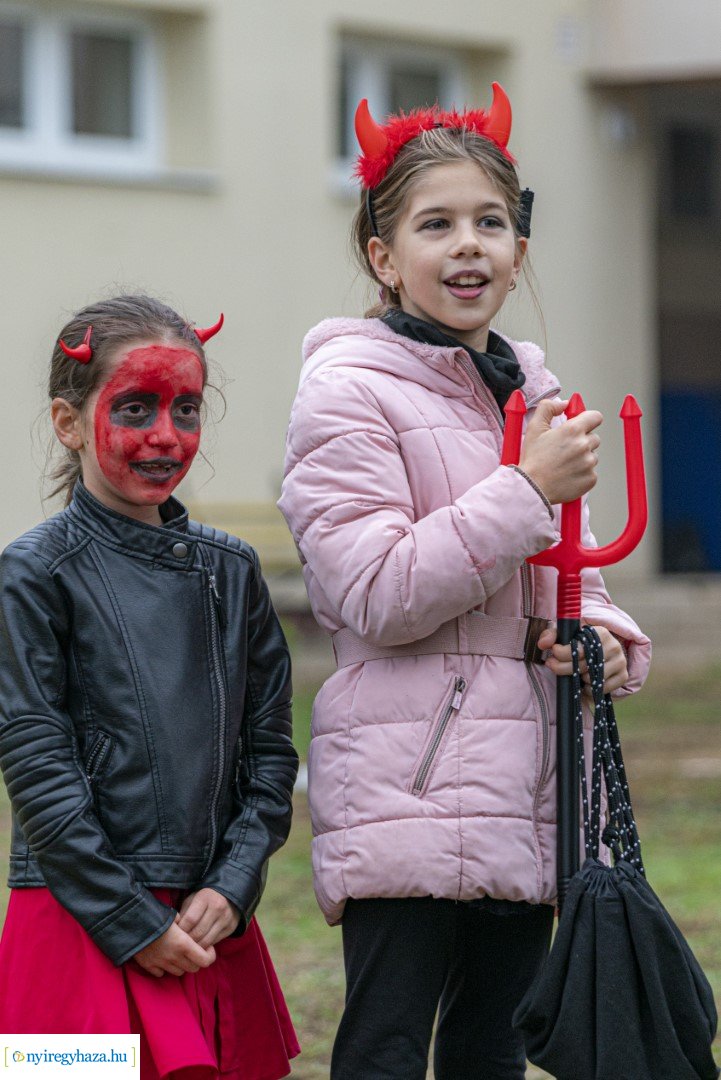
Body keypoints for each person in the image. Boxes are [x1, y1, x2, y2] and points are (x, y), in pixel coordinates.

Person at [278, 85, 652, 1079]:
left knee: (494, 1048)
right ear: (381, 255)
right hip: (407, 781)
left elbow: (556, 573)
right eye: (434, 224)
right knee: (388, 1048)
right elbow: (376, 591)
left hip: (527, 782)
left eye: (490, 221)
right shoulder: (345, 393)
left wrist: (597, 629)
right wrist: (525, 486)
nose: (468, 245)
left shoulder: (533, 393)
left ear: (519, 249)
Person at [0, 295, 300, 1080]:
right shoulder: (32, 573)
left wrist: (234, 885)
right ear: (69, 422)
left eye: (187, 410)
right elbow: (35, 762)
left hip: (204, 920)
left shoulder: (232, 573)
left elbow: (269, 755)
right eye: (135, 408)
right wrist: (127, 918)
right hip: (76, 915)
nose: (166, 437)